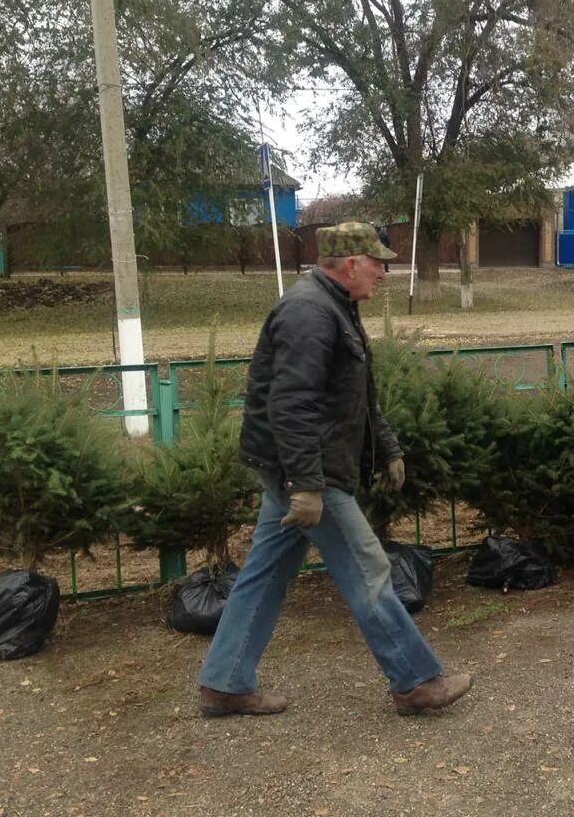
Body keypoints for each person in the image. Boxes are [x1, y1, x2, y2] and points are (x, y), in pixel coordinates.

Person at [197, 221, 472, 718]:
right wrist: (305, 485)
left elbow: (355, 397)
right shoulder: (308, 312)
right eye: (377, 264)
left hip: (303, 468)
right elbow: (291, 406)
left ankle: (226, 681)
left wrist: (386, 446)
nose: (383, 275)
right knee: (367, 568)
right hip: (309, 473)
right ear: (350, 265)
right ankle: (414, 680)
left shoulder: (334, 306)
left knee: (265, 572)